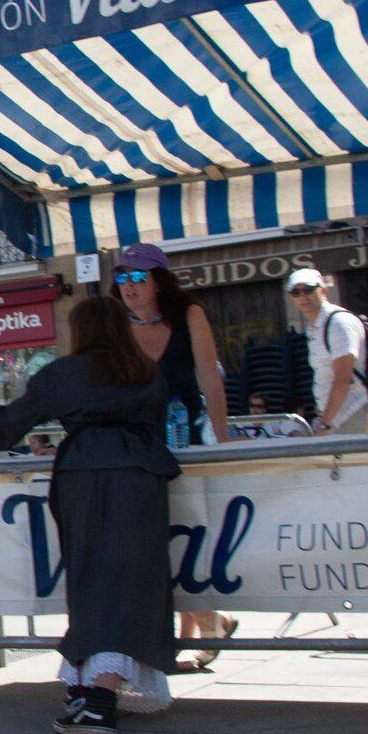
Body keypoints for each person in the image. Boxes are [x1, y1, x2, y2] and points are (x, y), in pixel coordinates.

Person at [0, 296, 181, 734]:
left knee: (92, 581)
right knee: (131, 584)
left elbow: (4, 428)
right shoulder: (145, 371)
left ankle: (96, 700)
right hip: (142, 477)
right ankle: (91, 692)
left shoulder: (65, 373)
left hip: (85, 477)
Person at [111, 243, 233, 668]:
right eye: (122, 277)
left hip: (185, 440)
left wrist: (224, 440)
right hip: (135, 446)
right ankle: (205, 622)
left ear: (158, 280)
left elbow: (210, 381)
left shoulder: (189, 315)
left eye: (137, 276)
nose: (128, 286)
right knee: (154, 538)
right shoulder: (114, 323)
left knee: (187, 530)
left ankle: (202, 624)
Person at [288, 268, 368, 435]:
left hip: (354, 414)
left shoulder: (339, 323)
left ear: (324, 290)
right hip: (335, 418)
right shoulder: (315, 327)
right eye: (296, 292)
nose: (302, 296)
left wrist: (325, 424)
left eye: (308, 289)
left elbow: (343, 378)